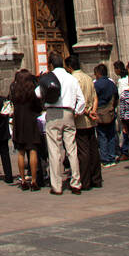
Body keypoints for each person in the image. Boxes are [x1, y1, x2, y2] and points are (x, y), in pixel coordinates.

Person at [37, 52, 84, 195]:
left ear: (50, 65)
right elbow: (81, 100)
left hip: (52, 114)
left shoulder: (48, 78)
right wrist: (76, 112)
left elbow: (37, 94)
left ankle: (56, 186)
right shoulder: (71, 78)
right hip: (69, 114)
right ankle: (76, 182)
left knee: (54, 150)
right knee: (72, 149)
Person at [67, 55, 101, 190]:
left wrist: (86, 112)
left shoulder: (73, 79)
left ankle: (85, 181)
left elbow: (77, 100)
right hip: (91, 120)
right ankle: (96, 179)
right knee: (93, 149)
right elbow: (94, 97)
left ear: (69, 67)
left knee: (83, 151)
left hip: (80, 120)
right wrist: (93, 111)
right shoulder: (88, 77)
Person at [10, 69, 42, 191]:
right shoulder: (32, 92)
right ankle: (34, 181)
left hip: (19, 122)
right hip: (31, 122)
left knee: (21, 152)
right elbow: (38, 107)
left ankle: (23, 180)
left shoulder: (14, 92)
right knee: (33, 150)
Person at [93, 63, 119, 165]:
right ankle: (112, 156)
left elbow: (93, 99)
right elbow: (116, 97)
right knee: (111, 135)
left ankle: (105, 158)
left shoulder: (96, 85)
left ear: (98, 74)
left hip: (100, 112)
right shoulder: (112, 84)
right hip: (110, 112)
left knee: (102, 136)